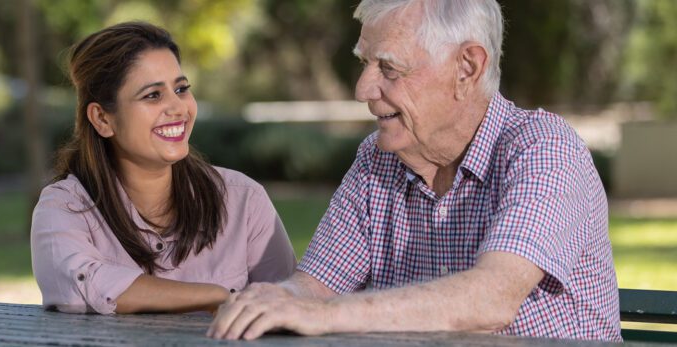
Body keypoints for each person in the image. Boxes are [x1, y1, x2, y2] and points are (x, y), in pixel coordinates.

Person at [209, 0, 620, 342]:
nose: (363, 90)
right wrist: (276, 299)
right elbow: (315, 285)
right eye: (365, 64)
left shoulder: (543, 148)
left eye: (388, 68)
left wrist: (324, 314)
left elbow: (492, 298)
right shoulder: (377, 159)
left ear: (467, 67)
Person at [30, 22, 297, 315]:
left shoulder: (244, 200)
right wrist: (215, 296)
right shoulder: (64, 208)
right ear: (102, 119)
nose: (178, 108)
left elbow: (289, 306)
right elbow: (82, 289)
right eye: (153, 95)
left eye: (181, 89)